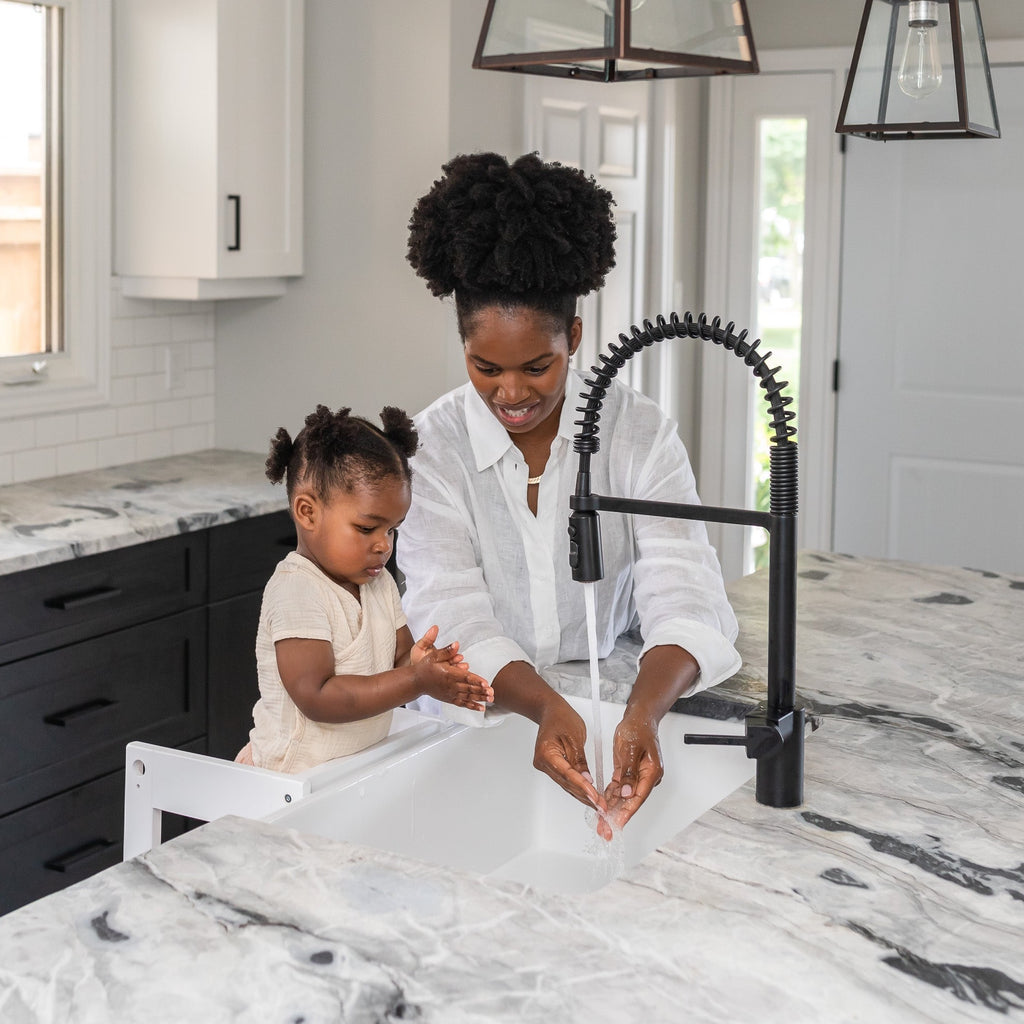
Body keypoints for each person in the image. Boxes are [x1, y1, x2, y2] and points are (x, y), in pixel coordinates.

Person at [399, 152, 741, 839]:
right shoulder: (431, 449)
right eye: (485, 368)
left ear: (574, 338)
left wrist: (641, 714)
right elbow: (450, 612)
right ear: (462, 344)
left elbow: (688, 595)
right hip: (466, 730)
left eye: (537, 366)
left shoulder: (637, 433)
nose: (512, 393)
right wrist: (546, 705)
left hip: (606, 699)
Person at [237, 404, 493, 773]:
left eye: (392, 529)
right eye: (366, 528)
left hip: (350, 769)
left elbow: (400, 659)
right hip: (289, 778)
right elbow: (317, 697)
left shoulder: (378, 583)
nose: (384, 545)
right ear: (307, 512)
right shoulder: (297, 590)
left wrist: (426, 666)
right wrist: (416, 681)